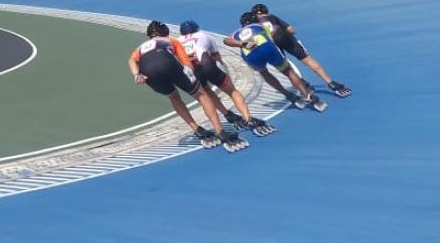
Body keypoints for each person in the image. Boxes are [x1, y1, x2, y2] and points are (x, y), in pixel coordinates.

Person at [129, 21, 247, 153]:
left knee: (173, 96)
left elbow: (131, 60)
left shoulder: (139, 48)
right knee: (201, 94)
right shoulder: (171, 40)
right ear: (165, 32)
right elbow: (186, 62)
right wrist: (194, 80)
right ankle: (220, 131)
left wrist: (136, 74)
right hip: (167, 64)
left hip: (147, 72)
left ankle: (196, 129)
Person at [178, 20, 275, 136]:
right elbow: (216, 56)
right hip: (208, 65)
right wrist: (223, 71)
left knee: (206, 93)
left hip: (193, 71)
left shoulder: (178, 41)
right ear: (196, 28)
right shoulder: (203, 35)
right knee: (232, 91)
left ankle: (226, 115)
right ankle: (248, 118)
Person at [224, 11, 326, 112]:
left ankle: (287, 94)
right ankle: (307, 95)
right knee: (288, 71)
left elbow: (226, 41)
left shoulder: (236, 32)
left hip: (249, 54)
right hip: (266, 47)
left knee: (264, 72)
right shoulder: (260, 24)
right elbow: (276, 31)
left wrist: (241, 43)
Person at [250, 4, 351, 97]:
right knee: (307, 59)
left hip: (272, 44)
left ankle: (302, 84)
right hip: (286, 38)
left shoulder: (254, 24)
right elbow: (291, 30)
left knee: (286, 66)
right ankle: (331, 83)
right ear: (266, 11)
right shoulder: (272, 17)